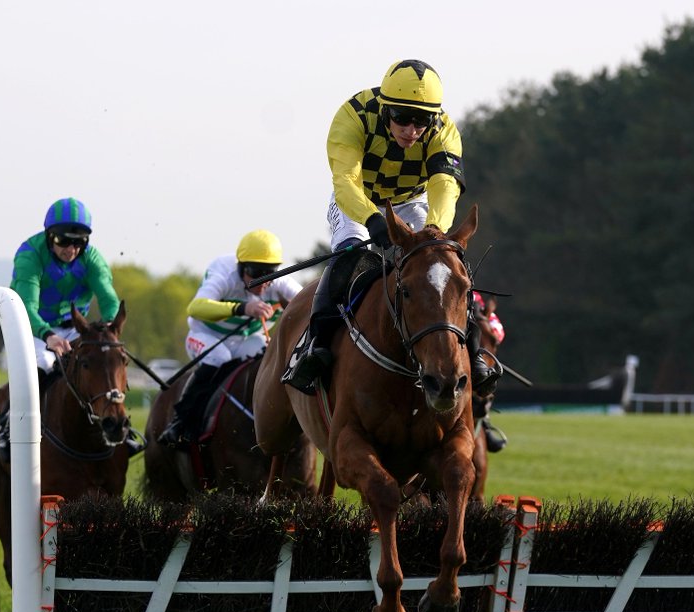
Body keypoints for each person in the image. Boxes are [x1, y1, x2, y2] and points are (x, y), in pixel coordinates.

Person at [282, 58, 497, 397]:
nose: (412, 130)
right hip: (357, 200)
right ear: (385, 109)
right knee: (347, 260)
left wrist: (434, 233)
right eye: (402, 118)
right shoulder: (352, 117)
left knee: (444, 265)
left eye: (422, 120)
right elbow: (346, 181)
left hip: (412, 203)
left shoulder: (444, 132)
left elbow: (445, 185)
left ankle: (473, 351)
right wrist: (372, 219)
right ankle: (315, 348)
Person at [159, 229, 302, 447]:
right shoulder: (224, 275)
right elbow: (195, 307)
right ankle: (181, 422)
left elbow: (308, 302)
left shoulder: (279, 283)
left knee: (268, 362)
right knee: (220, 356)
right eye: (256, 272)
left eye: (270, 273)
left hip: (247, 339)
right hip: (206, 336)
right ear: (242, 267)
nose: (263, 281)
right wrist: (243, 308)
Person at [11, 197, 121, 381]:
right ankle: (17, 410)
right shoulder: (30, 256)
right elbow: (26, 308)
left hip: (74, 329)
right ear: (49, 236)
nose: (71, 249)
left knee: (104, 356)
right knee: (45, 362)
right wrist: (49, 336)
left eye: (79, 242)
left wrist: (110, 325)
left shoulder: (91, 258)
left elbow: (109, 300)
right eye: (63, 240)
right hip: (32, 329)